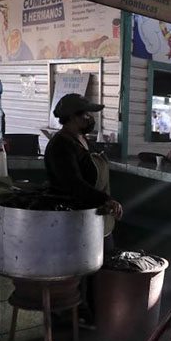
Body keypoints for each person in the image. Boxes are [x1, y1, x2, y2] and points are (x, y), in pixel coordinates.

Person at [44, 93, 123, 246]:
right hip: (74, 221)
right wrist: (105, 199)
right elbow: (73, 184)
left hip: (97, 216)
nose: (89, 118)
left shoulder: (82, 139)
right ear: (73, 117)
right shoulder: (60, 146)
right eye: (86, 114)